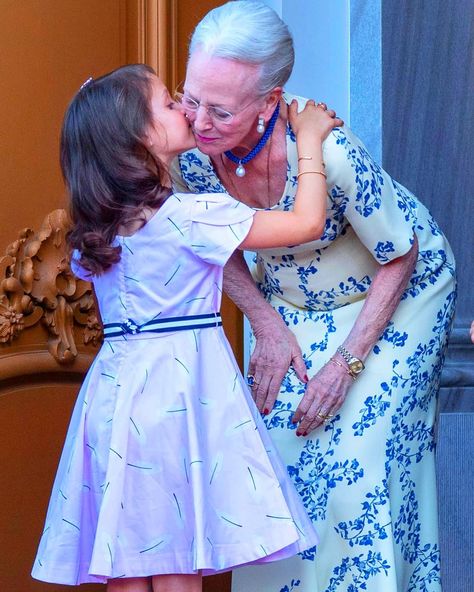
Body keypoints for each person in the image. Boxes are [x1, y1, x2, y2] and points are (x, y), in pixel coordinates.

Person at [171, 2, 457, 591]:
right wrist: (265, 323)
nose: (198, 121)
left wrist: (346, 365)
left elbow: (399, 253)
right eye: (190, 98)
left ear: (270, 102)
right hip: (289, 301)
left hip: (398, 291)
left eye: (220, 110)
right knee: (278, 468)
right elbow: (210, 244)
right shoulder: (193, 158)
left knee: (359, 466)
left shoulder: (328, 153)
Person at [31, 64, 342, 591]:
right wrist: (308, 141)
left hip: (115, 401)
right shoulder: (193, 217)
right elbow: (307, 223)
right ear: (140, 139)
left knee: (126, 565)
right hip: (179, 400)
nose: (184, 106)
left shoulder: (98, 230)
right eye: (167, 104)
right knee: (179, 564)